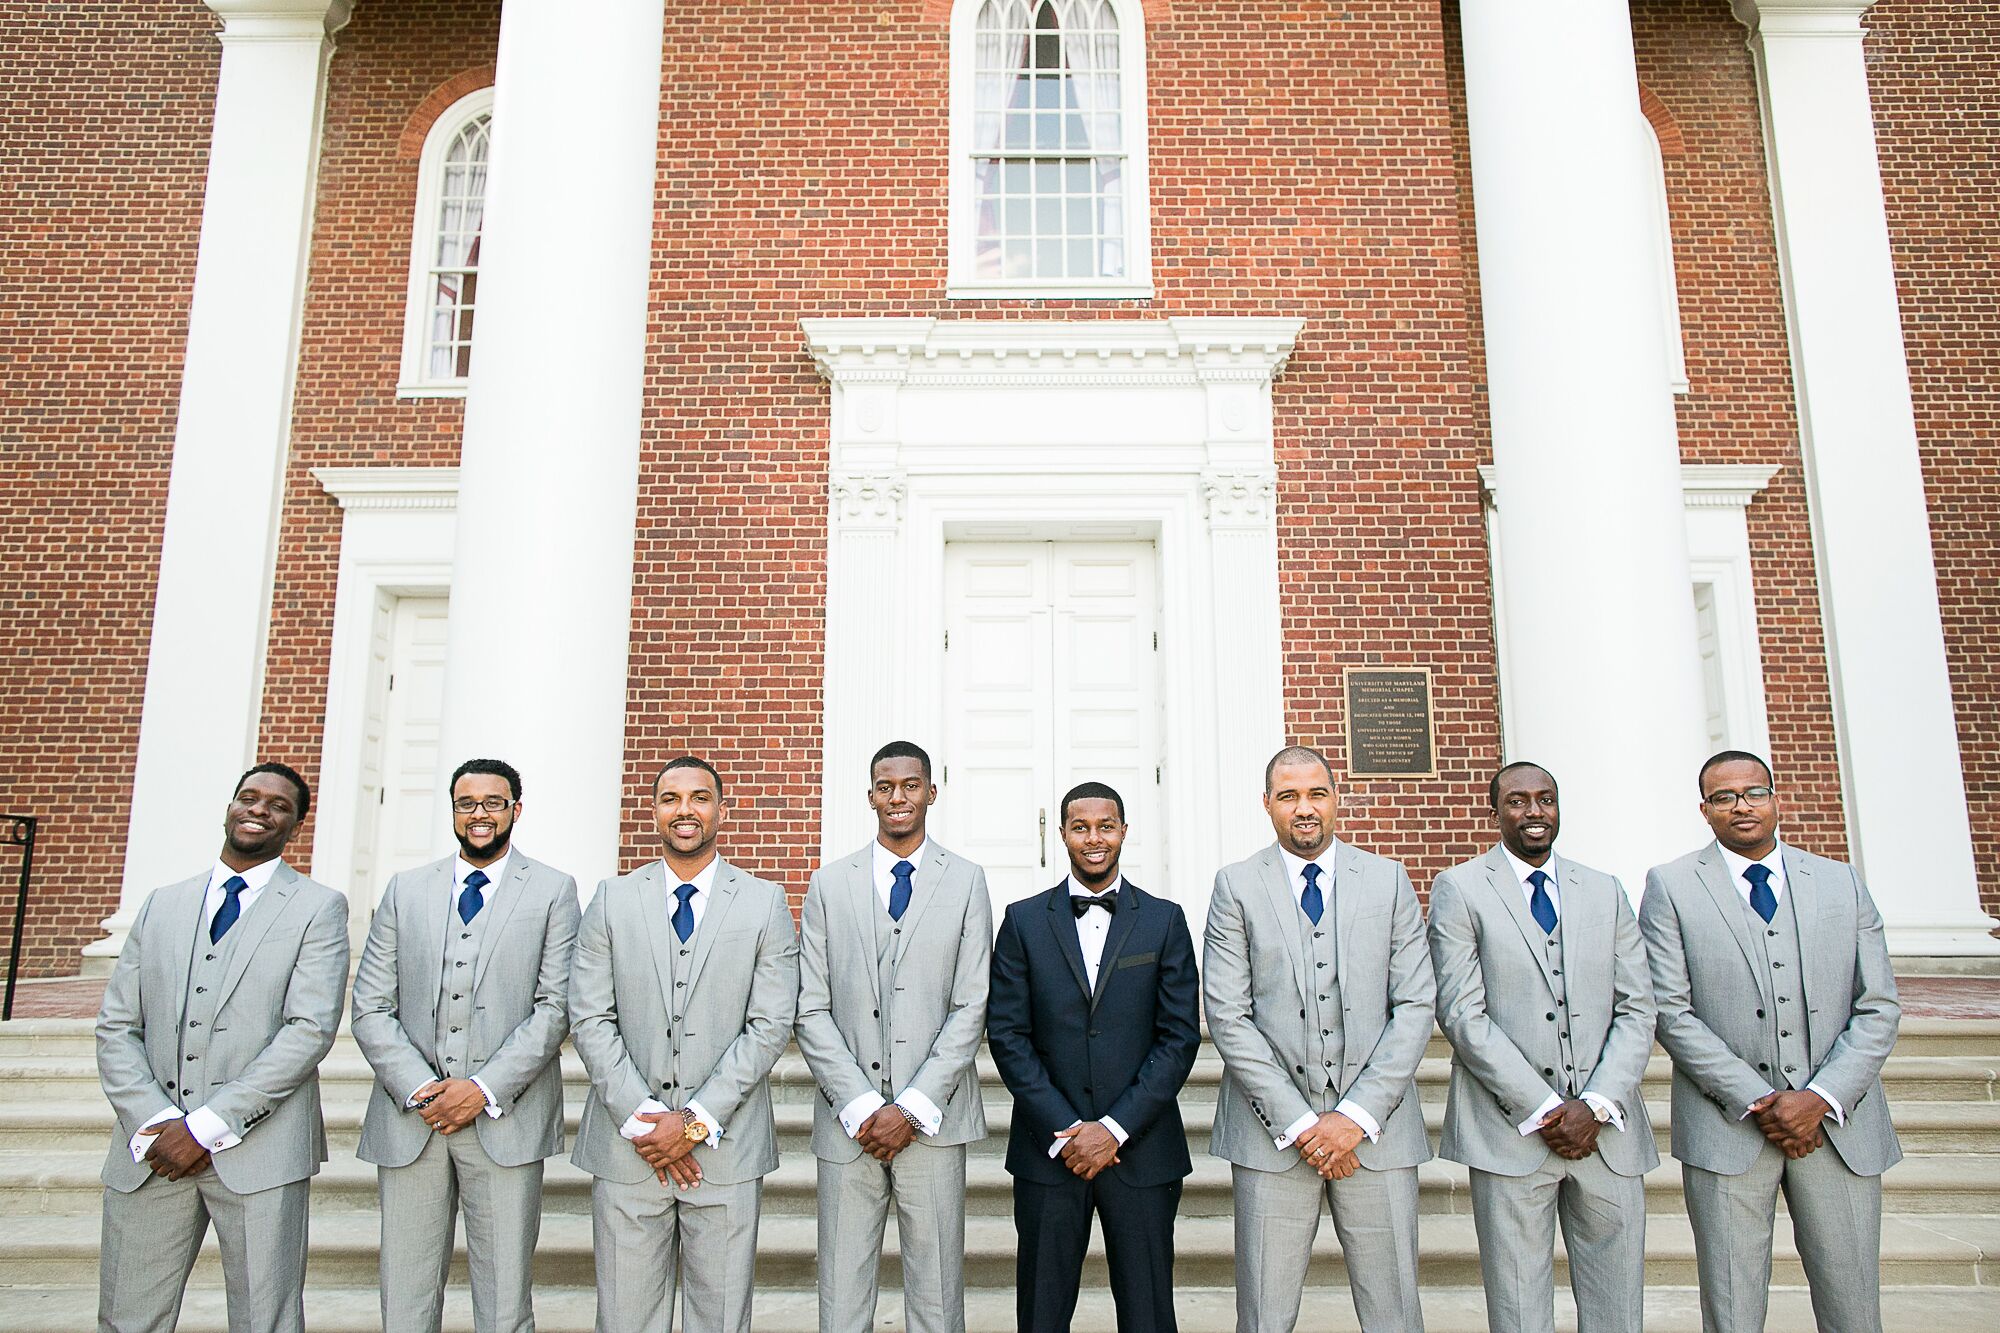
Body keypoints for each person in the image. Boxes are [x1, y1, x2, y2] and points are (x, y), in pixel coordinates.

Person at [1640, 749, 1901, 1333]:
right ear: (1704, 810)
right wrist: (1760, 1099)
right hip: (1727, 1129)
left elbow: (1878, 1003)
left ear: (1776, 798)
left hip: (1839, 1128)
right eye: (1725, 797)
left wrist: (1820, 1097)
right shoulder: (1671, 886)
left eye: (1755, 792)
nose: (1742, 806)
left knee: (1854, 1305)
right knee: (1732, 1308)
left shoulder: (1840, 881)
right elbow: (1670, 1011)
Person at [95, 763, 349, 1333]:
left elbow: (308, 1029)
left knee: (267, 1319)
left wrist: (207, 1125)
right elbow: (116, 1026)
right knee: (126, 1317)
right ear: (230, 807)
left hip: (260, 1151)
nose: (260, 809)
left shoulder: (319, 907)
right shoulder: (162, 903)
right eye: (249, 797)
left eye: (278, 805)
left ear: (296, 825)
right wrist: (159, 1121)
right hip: (151, 1150)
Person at [1203, 744, 1435, 1333]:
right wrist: (1303, 1124)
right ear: (1267, 805)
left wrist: (1355, 1116)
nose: (1303, 808)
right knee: (1264, 1313)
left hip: (1376, 1136)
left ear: (1337, 800)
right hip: (1271, 1138)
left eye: (1316, 794)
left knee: (1395, 1312)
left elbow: (1414, 1005)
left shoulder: (1388, 880)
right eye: (1288, 796)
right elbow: (1229, 1014)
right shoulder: (1235, 885)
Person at [568, 756, 799, 1332]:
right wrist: (646, 1119)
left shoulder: (764, 901)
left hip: (727, 1146)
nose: (685, 810)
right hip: (630, 1149)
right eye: (671, 798)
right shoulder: (611, 899)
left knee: (719, 1319)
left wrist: (694, 1121)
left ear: (723, 809)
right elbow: (590, 1016)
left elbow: (770, 1023)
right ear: (654, 811)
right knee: (624, 1318)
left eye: (699, 797)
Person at [349, 757, 581, 1333]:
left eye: (493, 803)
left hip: (506, 1120)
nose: (479, 815)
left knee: (504, 1297)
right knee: (404, 1293)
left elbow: (556, 1007)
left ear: (515, 810)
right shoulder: (405, 890)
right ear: (453, 811)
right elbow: (371, 1005)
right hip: (412, 1122)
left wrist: (481, 1089)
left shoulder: (554, 890)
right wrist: (423, 1089)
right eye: (466, 804)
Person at [1427, 761, 1657, 1333]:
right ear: (1496, 811)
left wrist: (1597, 1102)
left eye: (1545, 799)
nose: (1534, 812)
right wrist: (1546, 1108)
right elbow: (1461, 1013)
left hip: (1607, 1134)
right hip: (1510, 1131)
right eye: (1518, 801)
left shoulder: (1604, 890)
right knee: (1519, 1306)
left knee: (1617, 1305)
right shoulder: (1459, 887)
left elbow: (1637, 1007)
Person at [988, 780, 1201, 1332]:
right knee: (1041, 1313)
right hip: (1048, 1152)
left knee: (1149, 1314)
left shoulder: (1165, 920)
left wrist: (1114, 1127)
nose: (1094, 838)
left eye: (1105, 826)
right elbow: (1007, 1034)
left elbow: (1178, 1037)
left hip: (1143, 1149)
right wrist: (1066, 1127)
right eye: (1080, 827)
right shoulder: (1023, 921)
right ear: (1061, 835)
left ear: (1125, 831)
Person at [795, 740, 992, 1333]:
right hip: (846, 1123)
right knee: (842, 1291)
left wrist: (910, 1106)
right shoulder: (830, 884)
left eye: (911, 785)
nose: (898, 798)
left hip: (934, 1121)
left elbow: (972, 1002)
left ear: (932, 792)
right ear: (870, 796)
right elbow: (811, 1006)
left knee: (936, 1294)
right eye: (886, 787)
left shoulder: (966, 880)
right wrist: (860, 1105)